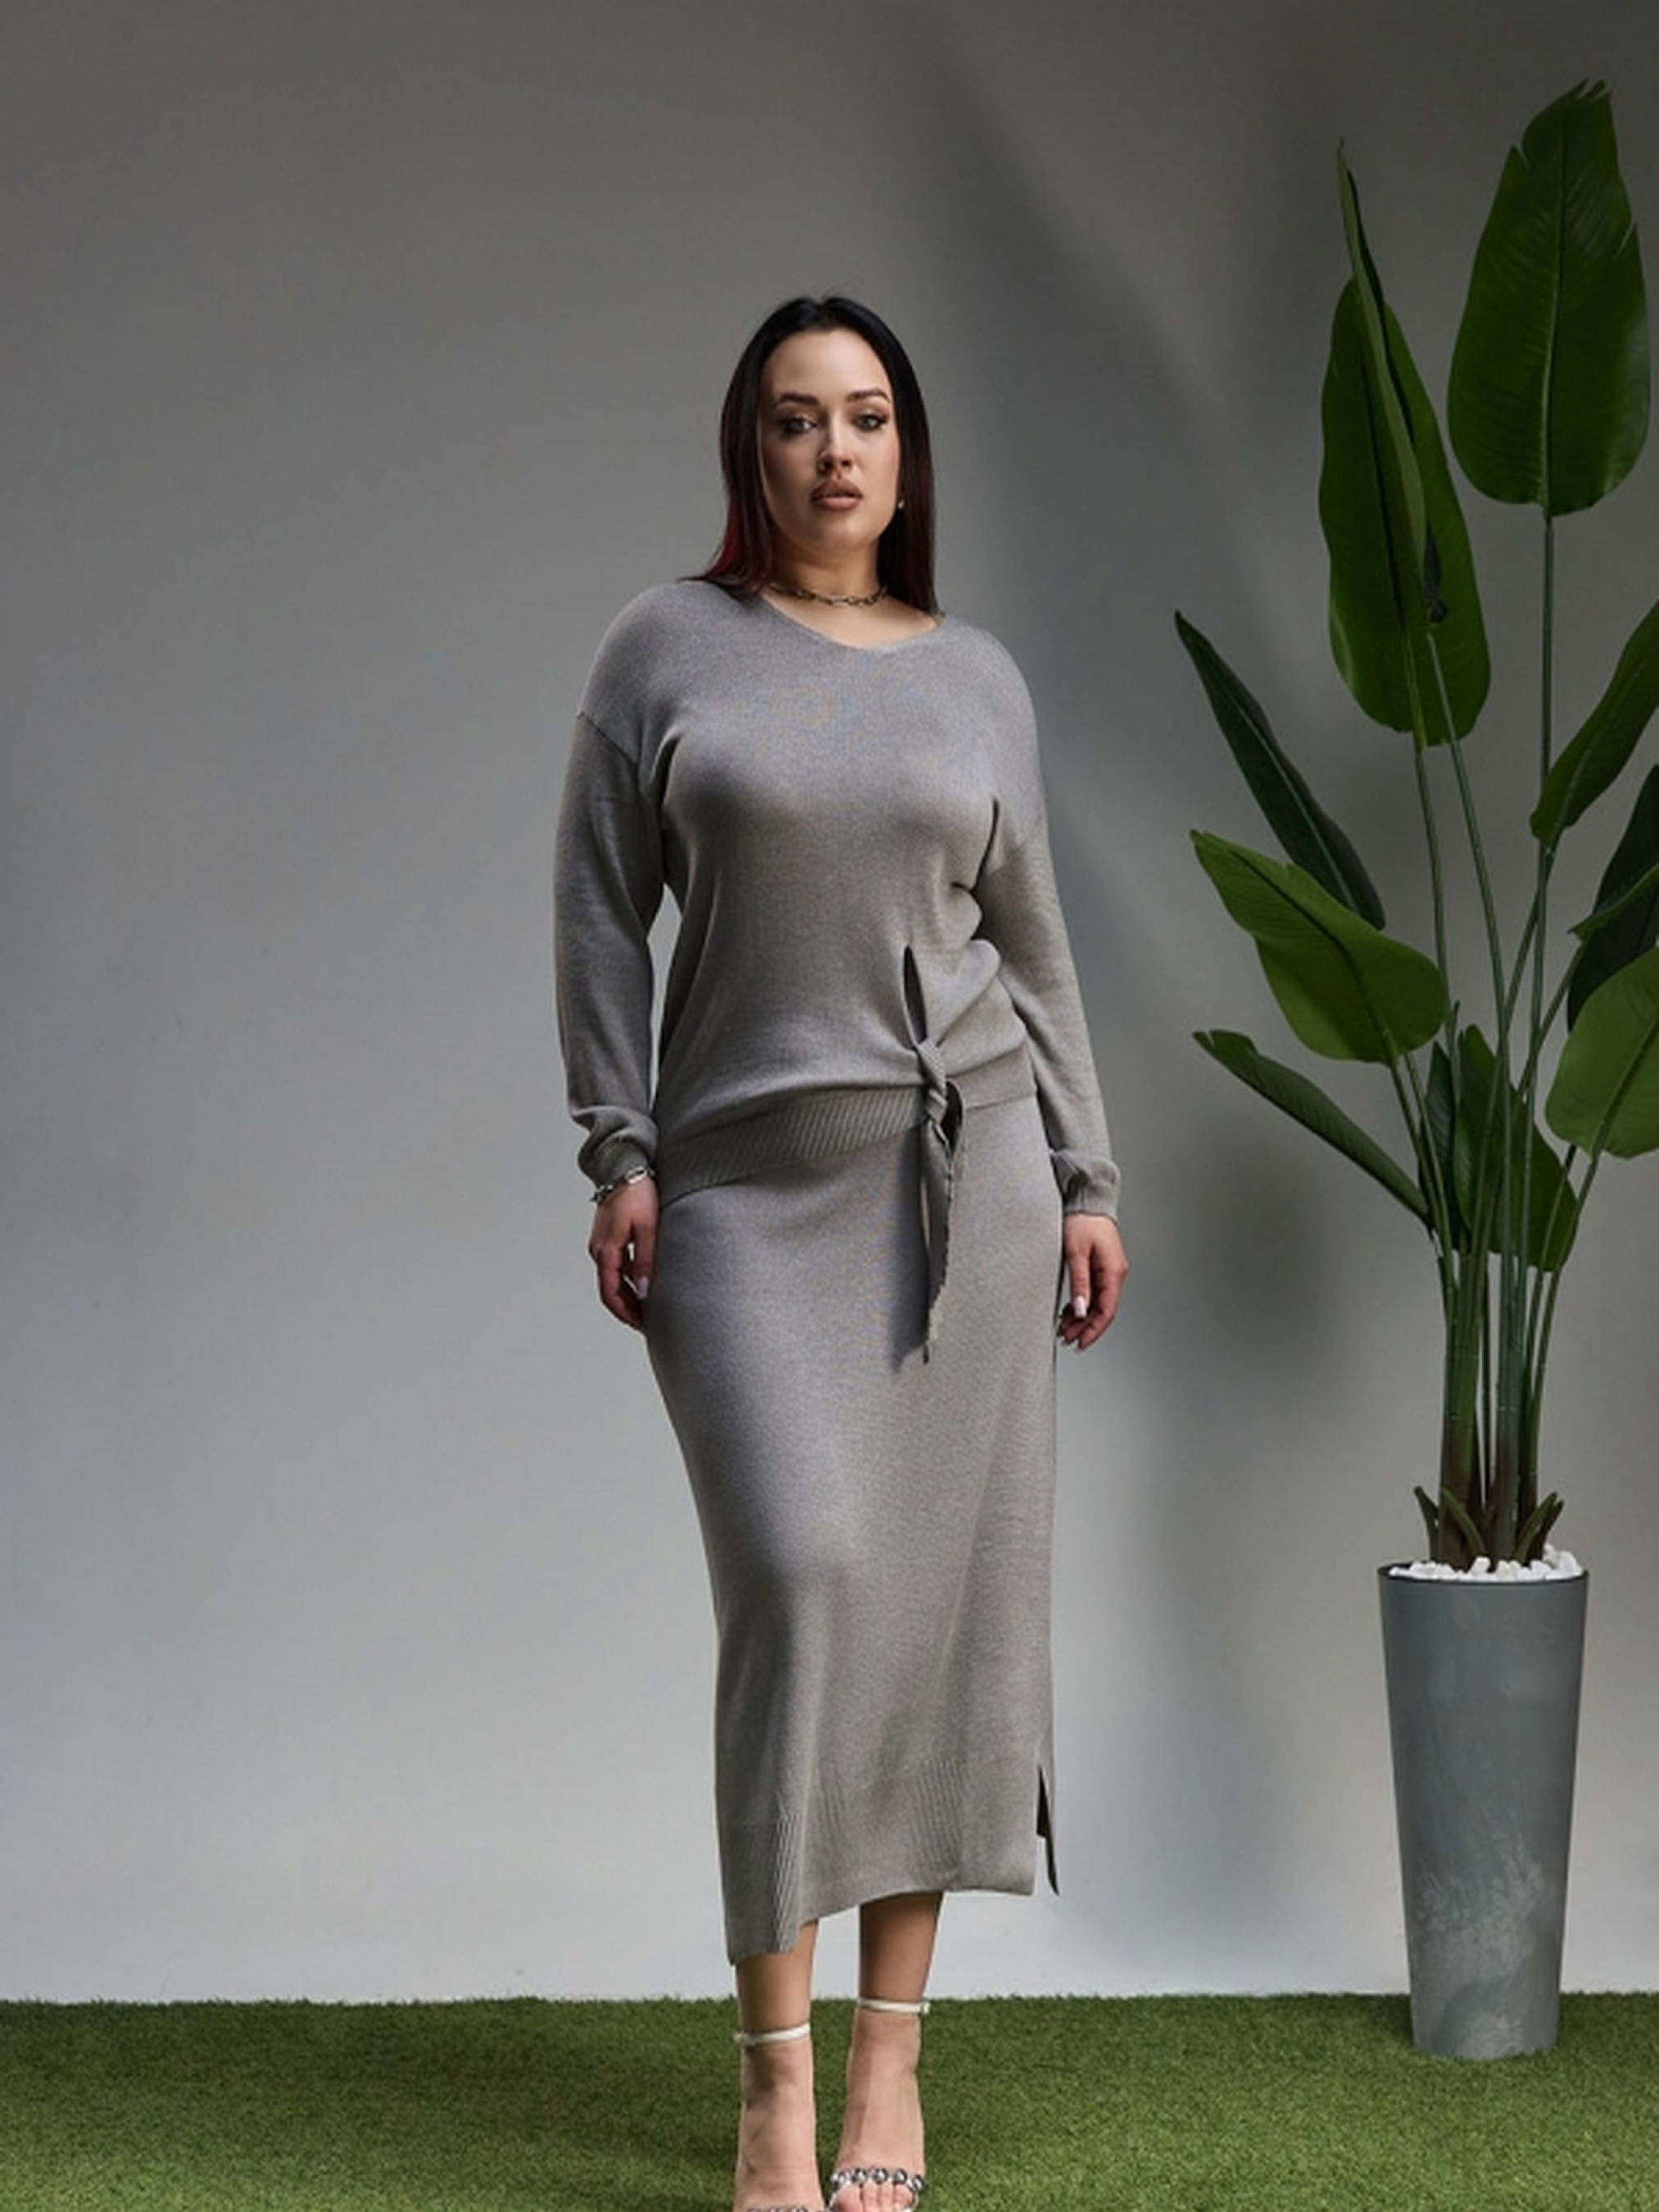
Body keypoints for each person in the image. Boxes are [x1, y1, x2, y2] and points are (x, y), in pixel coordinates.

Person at [554, 296, 1126, 2212]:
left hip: (963, 1202)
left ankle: (886, 2067)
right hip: (739, 1199)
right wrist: (617, 1147)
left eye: (866, 415)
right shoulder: (664, 650)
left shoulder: (976, 680)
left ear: (904, 449)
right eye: (797, 419)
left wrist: (1088, 1178)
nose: (834, 451)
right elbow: (596, 909)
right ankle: (767, 2087)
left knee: (936, 1631)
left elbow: (1031, 948)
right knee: (801, 1588)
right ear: (752, 447)